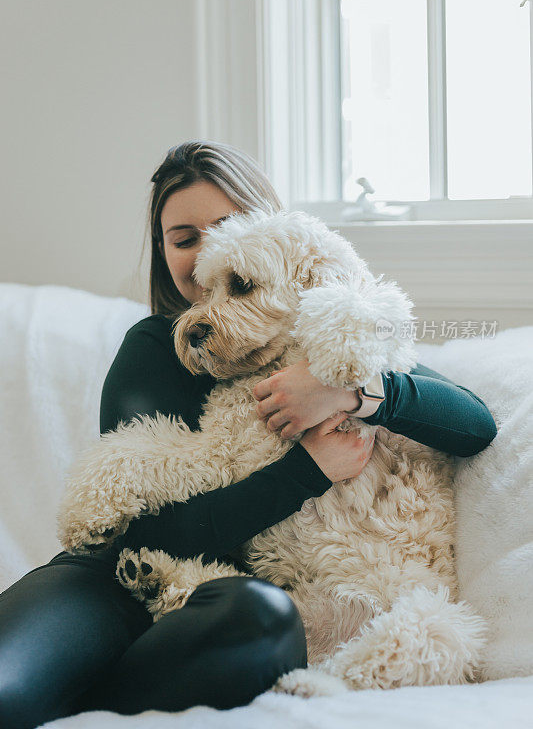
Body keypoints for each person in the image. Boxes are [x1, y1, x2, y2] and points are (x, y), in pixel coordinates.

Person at [0, 141, 498, 728]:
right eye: (184, 238)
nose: (208, 248)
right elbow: (141, 533)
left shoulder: (331, 349)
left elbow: (473, 425)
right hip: (110, 584)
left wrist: (348, 393)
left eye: (229, 227)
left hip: (228, 602)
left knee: (260, 618)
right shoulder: (156, 346)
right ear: (164, 252)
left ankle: (84, 706)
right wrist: (307, 472)